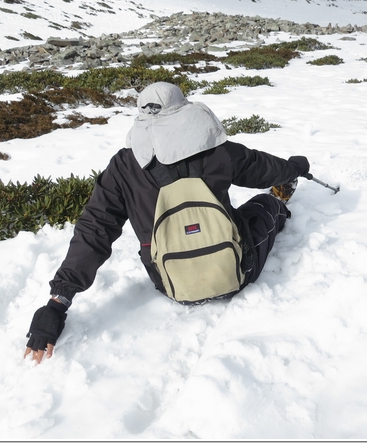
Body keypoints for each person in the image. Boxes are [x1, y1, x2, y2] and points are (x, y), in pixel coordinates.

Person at [24, 81, 309, 363]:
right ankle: (278, 202)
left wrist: (58, 301)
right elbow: (262, 168)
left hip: (169, 281)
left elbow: (95, 229)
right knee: (264, 205)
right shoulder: (216, 150)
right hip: (235, 268)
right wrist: (295, 167)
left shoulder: (123, 166)